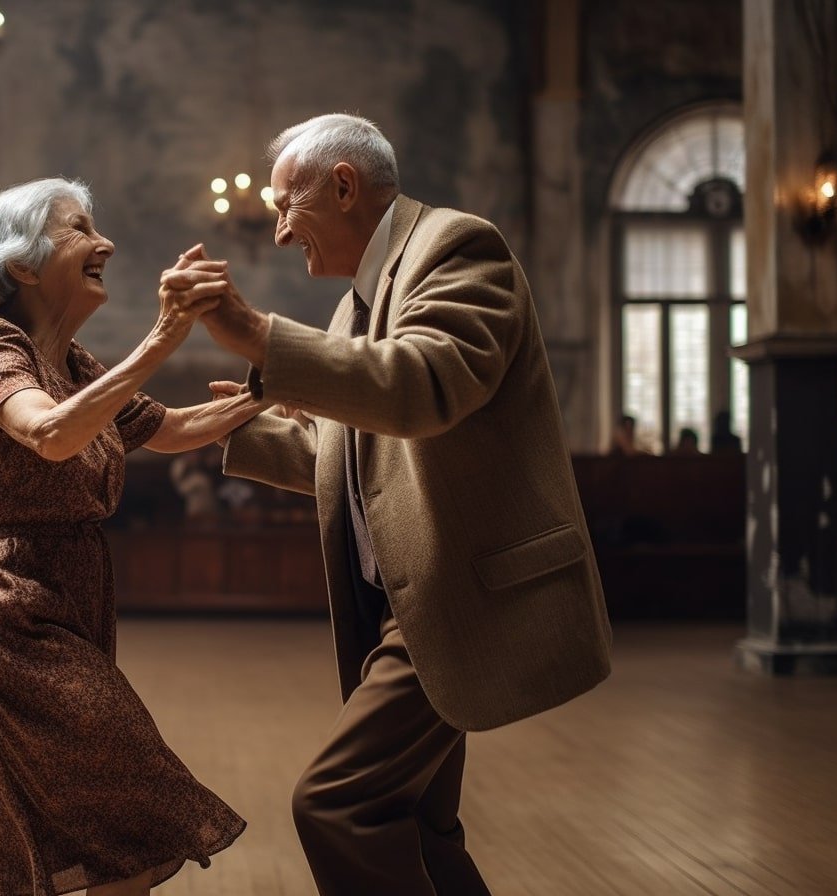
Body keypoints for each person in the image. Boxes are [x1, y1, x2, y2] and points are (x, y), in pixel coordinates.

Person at [170, 114, 612, 896]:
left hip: (460, 596)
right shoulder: (353, 307)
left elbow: (420, 389)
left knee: (337, 806)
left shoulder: (459, 248)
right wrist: (230, 430)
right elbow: (356, 461)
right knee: (420, 828)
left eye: (284, 207)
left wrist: (252, 331)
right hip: (406, 601)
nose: (275, 234)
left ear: (343, 185)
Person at [0, 177, 257, 896]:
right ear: (21, 264)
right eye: (80, 228)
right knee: (132, 792)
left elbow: (171, 428)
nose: (104, 242)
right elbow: (49, 433)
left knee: (104, 818)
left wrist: (268, 393)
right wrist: (164, 336)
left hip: (64, 590)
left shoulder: (76, 365)